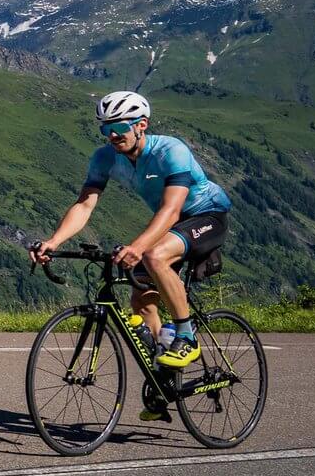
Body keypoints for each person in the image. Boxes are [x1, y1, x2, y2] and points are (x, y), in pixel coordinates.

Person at [30, 90, 232, 421]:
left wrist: (137, 247)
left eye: (119, 127)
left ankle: (186, 337)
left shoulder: (171, 151)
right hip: (172, 225)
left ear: (141, 125)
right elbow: (85, 205)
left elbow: (171, 209)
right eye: (105, 129)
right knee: (141, 299)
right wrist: (54, 241)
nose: (111, 136)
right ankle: (162, 380)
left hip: (206, 216)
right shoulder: (105, 158)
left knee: (153, 257)